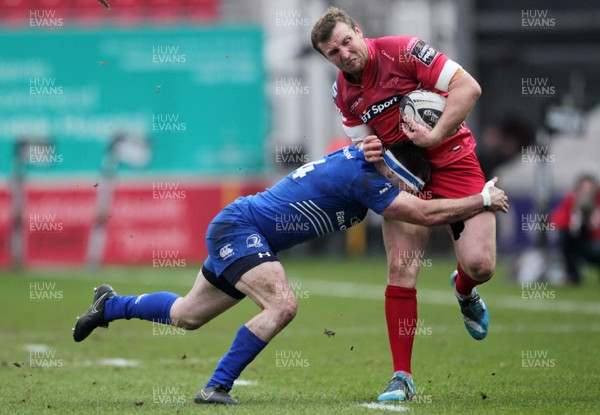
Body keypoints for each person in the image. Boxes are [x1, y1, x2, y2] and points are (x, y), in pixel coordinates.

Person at [73, 143, 509, 405]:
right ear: (393, 172)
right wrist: (481, 200)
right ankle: (215, 387)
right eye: (407, 182)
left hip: (241, 227)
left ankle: (110, 306)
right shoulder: (367, 180)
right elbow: (424, 213)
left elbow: (405, 189)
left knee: (188, 315)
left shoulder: (363, 159)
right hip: (242, 229)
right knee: (283, 304)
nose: (407, 191)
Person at [311, 7, 498, 401]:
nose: (344, 54)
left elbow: (469, 89)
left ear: (358, 32)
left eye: (347, 42)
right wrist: (375, 156)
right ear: (326, 58)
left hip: (454, 158)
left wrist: (433, 136)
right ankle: (402, 376)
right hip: (405, 177)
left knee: (481, 266)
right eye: (333, 52)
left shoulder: (406, 51)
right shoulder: (341, 93)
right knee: (401, 268)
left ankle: (464, 290)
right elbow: (361, 143)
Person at [550, 174, 600, 285]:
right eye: (583, 188)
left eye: (589, 188)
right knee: (564, 238)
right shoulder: (572, 199)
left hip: (595, 240)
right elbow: (557, 219)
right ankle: (573, 276)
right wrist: (572, 223)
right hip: (579, 240)